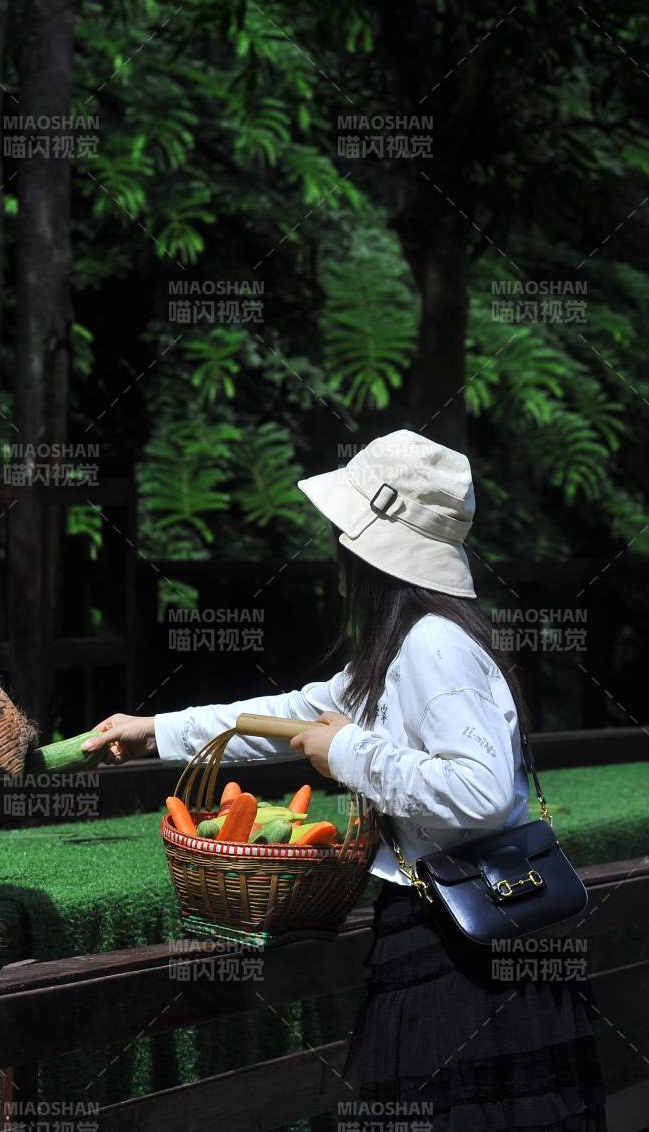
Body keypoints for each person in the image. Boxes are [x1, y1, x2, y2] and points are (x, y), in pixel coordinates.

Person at [81, 430, 607, 1131]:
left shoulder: (433, 644)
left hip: (461, 958)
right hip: (460, 937)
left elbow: (479, 790)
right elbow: (295, 714)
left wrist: (350, 752)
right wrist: (156, 730)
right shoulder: (405, 645)